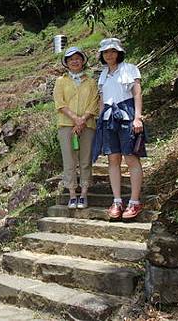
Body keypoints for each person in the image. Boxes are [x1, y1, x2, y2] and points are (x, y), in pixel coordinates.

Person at [92, 38, 147, 220]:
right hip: (108, 118)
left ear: (119, 53)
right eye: (106, 52)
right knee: (113, 159)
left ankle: (134, 201)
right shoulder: (103, 74)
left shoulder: (130, 68)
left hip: (127, 114)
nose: (109, 55)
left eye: (113, 51)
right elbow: (102, 99)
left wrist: (137, 117)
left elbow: (137, 93)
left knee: (131, 157)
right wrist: (100, 121)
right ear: (102, 55)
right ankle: (117, 200)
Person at [53, 46, 99, 209]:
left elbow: (94, 103)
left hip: (88, 125)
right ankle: (72, 194)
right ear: (66, 62)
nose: (75, 61)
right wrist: (75, 119)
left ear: (83, 61)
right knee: (69, 160)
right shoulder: (60, 81)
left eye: (77, 58)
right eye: (71, 59)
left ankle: (84, 194)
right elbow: (60, 103)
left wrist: (82, 120)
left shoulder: (91, 81)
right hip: (66, 125)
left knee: (85, 159)